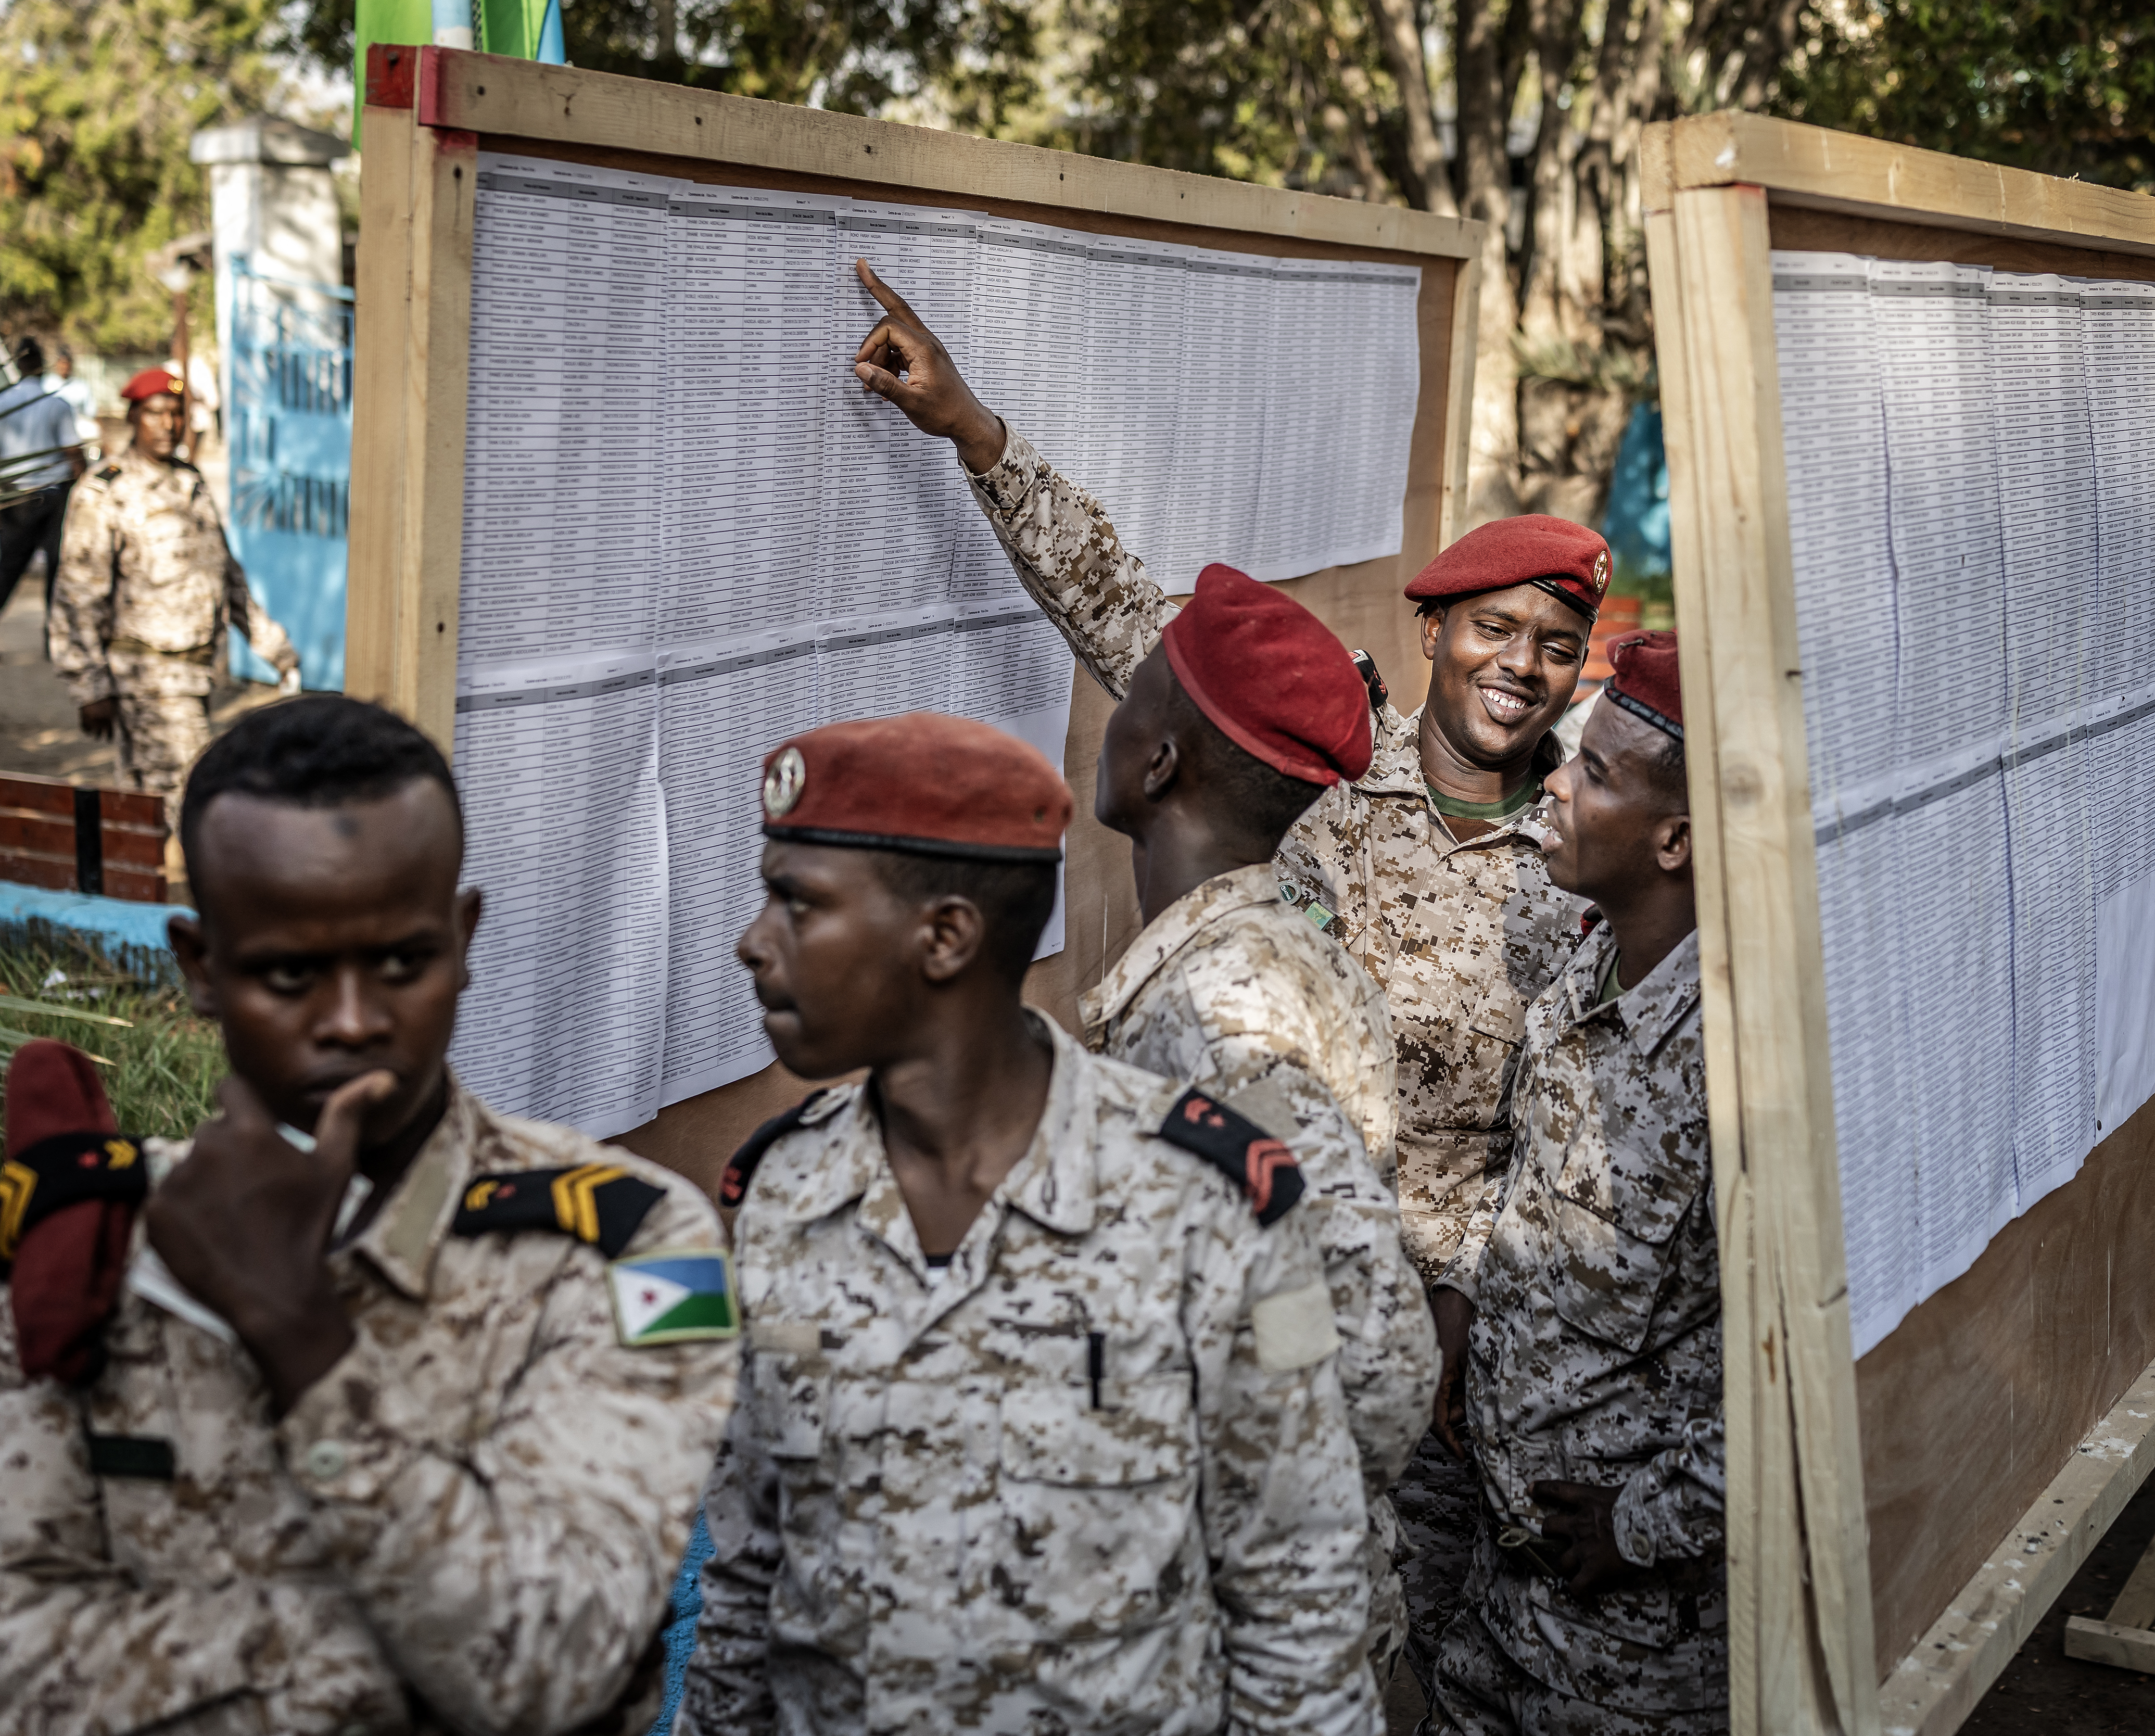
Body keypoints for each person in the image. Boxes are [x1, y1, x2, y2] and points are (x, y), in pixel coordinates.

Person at [844, 260, 1601, 1681]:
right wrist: (975, 431)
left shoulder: (1586, 846)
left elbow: (1575, 1110)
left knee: (1416, 1645)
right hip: (1293, 1298)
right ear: (1436, 632)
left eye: (1557, 648)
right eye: (1497, 629)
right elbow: (1132, 621)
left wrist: (1459, 1297)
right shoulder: (1318, 768)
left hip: (1465, 1325)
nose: (1523, 666)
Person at [0, 695, 738, 1735]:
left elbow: (557, 1665)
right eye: (290, 973)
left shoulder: (636, 1244)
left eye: (400, 961)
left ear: (463, 935)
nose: (353, 1019)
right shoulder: (90, 1238)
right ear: (201, 968)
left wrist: (296, 1328)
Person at [678, 713, 1377, 1736]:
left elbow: (1298, 1600)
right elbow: (746, 1580)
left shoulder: (1204, 1204)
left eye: (798, 902)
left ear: (946, 936)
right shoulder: (780, 1195)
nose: (754, 940)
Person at [1081, 560, 1438, 1688]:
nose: (1114, 711)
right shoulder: (1270, 936)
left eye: (1130, 690)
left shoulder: (1226, 1017)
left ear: (1159, 759)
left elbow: (1369, 1352)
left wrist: (1251, 1514)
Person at [1428, 633, 1722, 1735]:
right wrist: (1465, 1292)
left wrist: (1642, 1524)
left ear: (1673, 838)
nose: (1553, 778)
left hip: (1633, 1651)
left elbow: (1794, 1364)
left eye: (1593, 770)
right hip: (1502, 1599)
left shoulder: (1732, 1067)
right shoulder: (1585, 964)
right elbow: (1523, 1172)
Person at [52, 367, 299, 832]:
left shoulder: (190, 482)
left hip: (197, 672)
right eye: (156, 414)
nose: (168, 425)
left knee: (150, 806)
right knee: (198, 802)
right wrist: (89, 687)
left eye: (177, 415)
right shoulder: (106, 491)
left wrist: (275, 649)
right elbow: (78, 594)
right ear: (133, 418)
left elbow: (227, 577)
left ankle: (142, 894)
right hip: (149, 677)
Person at [0, 335, 84, 662]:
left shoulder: (0, 403)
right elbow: (75, 455)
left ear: (16, 364)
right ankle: (53, 640)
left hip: (15, 498)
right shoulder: (57, 404)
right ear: (41, 365)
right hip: (53, 495)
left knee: (8, 567)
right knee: (56, 571)